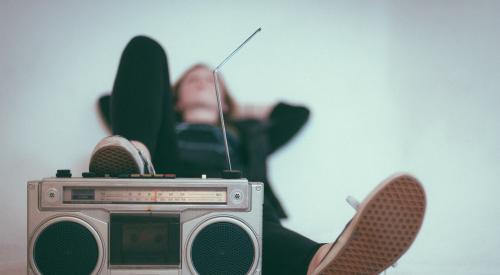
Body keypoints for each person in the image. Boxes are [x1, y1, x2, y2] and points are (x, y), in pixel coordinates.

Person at [91, 35, 426, 275]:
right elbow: (112, 101)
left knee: (255, 214)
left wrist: (237, 108)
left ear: (225, 99)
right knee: (145, 47)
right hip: (164, 182)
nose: (200, 83)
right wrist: (159, 115)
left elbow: (297, 114)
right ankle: (135, 157)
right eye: (191, 81)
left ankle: (324, 262)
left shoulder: (250, 135)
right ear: (174, 98)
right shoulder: (163, 127)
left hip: (237, 204)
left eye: (210, 82)